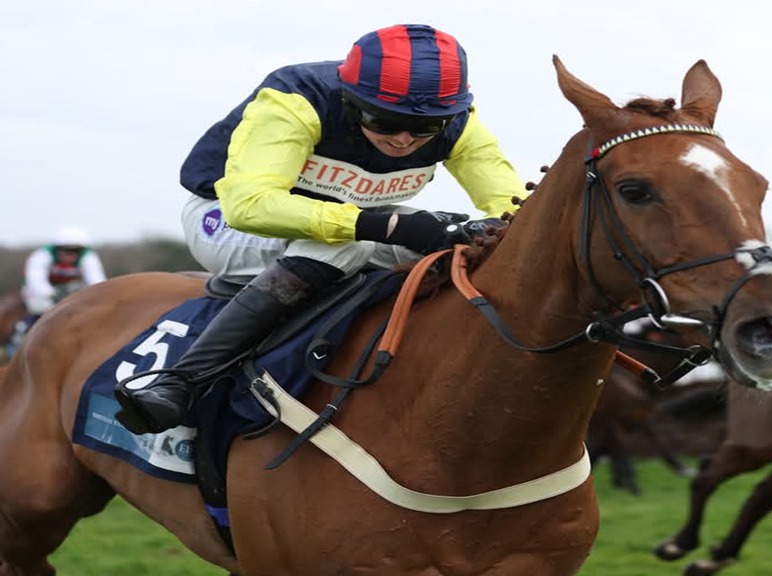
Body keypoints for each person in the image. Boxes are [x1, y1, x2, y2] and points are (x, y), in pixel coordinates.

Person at [114, 23, 529, 435]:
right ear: (350, 100)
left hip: (348, 226)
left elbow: (513, 209)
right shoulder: (296, 98)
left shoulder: (458, 122)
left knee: (455, 247)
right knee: (343, 247)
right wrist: (382, 225)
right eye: (383, 120)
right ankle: (180, 383)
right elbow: (249, 205)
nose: (404, 140)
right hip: (225, 219)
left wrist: (482, 230)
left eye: (425, 128)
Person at [8, 225, 107, 356]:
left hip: (68, 289)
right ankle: (21, 333)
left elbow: (96, 280)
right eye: (66, 250)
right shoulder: (42, 255)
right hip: (39, 290)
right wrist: (50, 294)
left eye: (76, 251)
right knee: (41, 307)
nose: (71, 254)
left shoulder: (88, 257)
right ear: (57, 249)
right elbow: (35, 279)